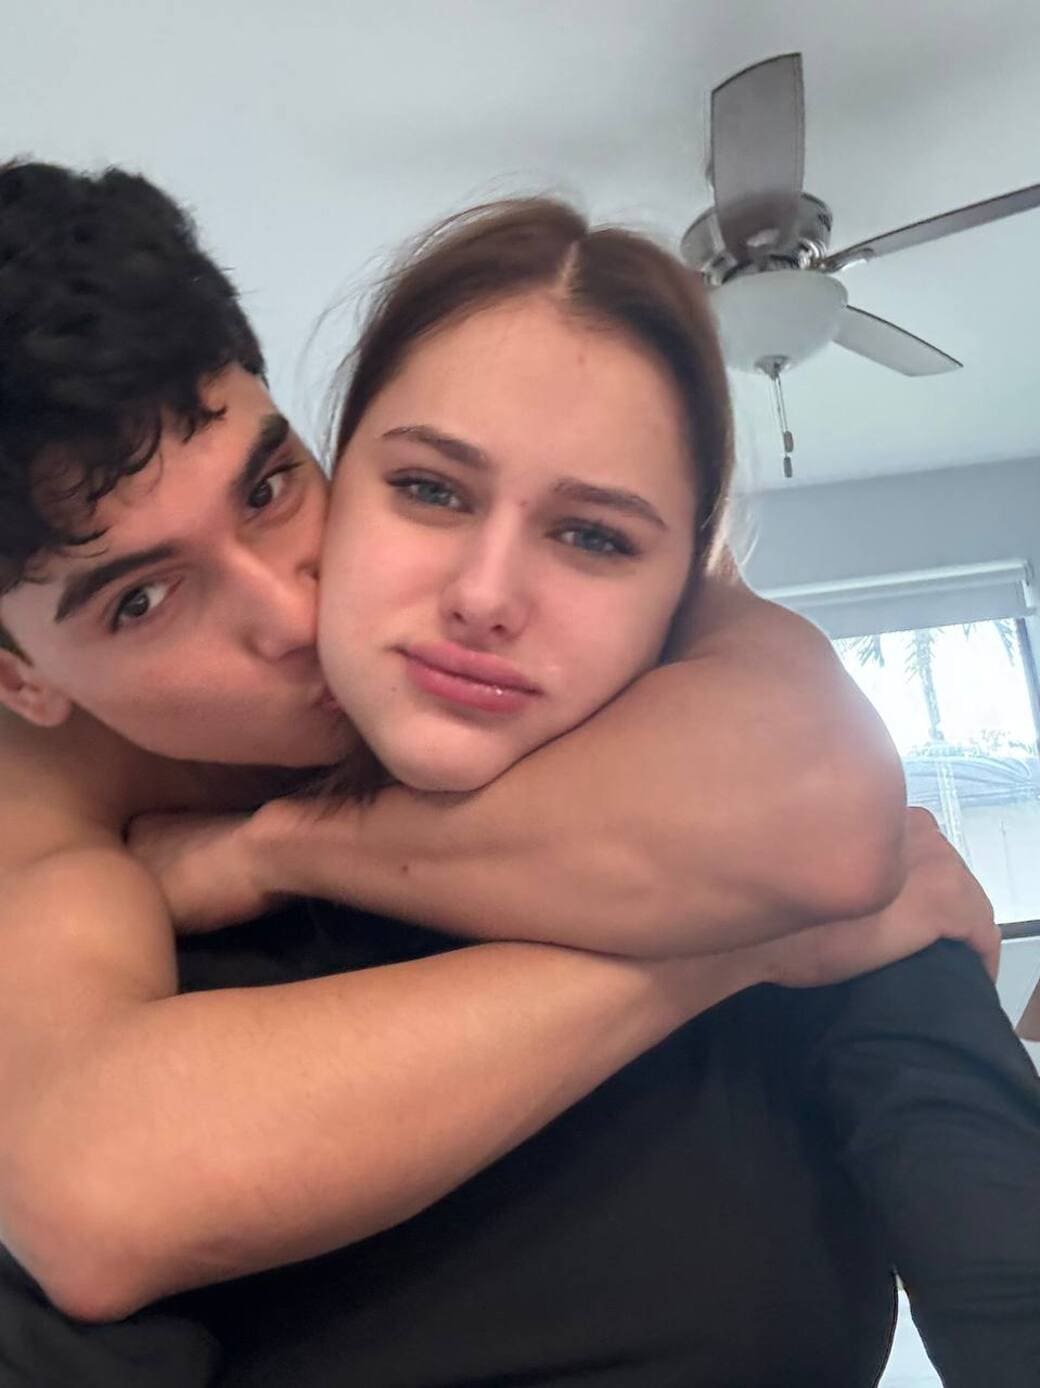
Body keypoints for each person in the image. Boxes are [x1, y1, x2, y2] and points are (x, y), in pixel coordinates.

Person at [0, 163, 1034, 1386]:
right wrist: (734, 943)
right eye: (142, 599)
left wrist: (274, 848)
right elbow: (95, 1195)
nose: (289, 609)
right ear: (21, 679)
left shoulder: (693, 729)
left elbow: (821, 825)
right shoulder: (69, 838)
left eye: (270, 489)